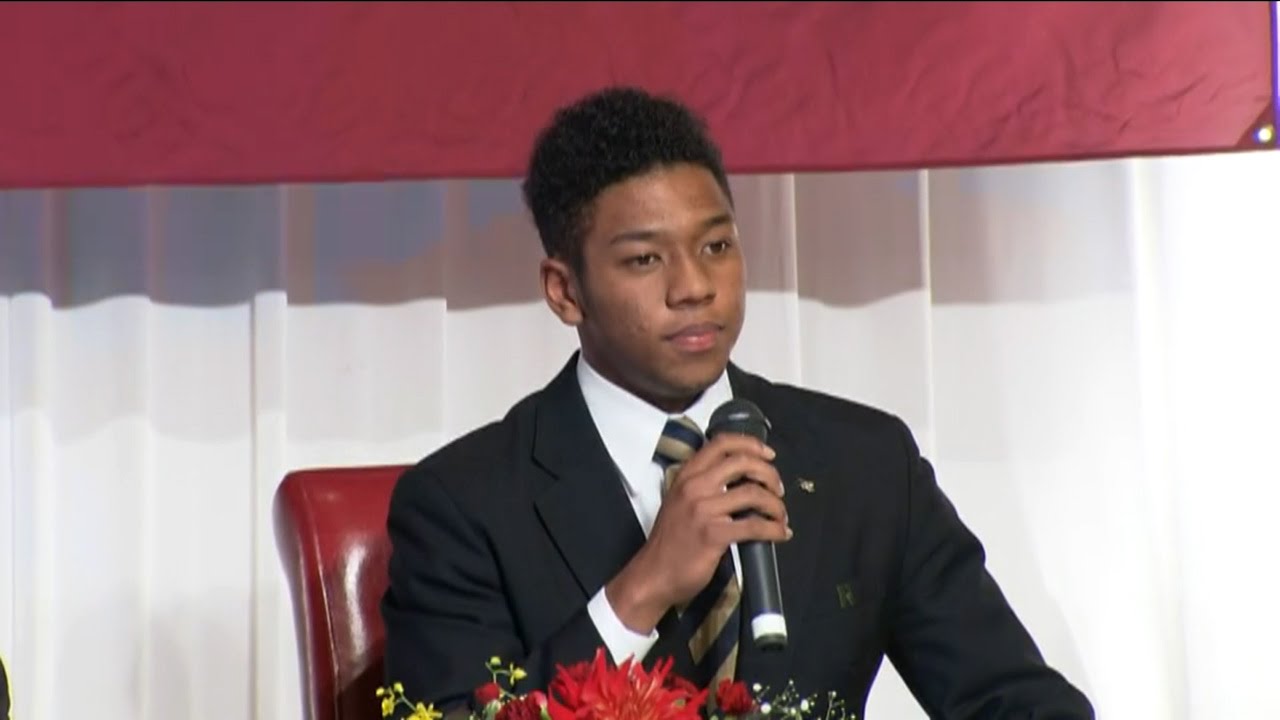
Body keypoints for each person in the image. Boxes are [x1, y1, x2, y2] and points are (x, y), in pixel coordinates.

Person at [381, 86, 1093, 719]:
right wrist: (642, 588)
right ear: (565, 292)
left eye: (717, 245)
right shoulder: (462, 505)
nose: (694, 287)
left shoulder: (866, 464)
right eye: (644, 259)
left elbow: (1020, 702)